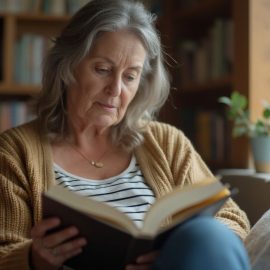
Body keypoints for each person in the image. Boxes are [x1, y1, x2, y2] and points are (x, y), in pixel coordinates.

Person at [0, 0, 251, 269]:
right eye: (103, 70)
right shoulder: (14, 153)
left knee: (207, 235)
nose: (116, 89)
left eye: (130, 76)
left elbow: (232, 219)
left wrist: (176, 252)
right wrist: (35, 258)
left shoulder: (167, 143)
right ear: (67, 66)